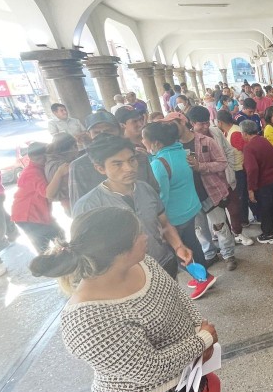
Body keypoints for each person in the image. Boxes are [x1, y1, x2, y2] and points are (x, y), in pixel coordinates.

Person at [30, 208, 250, 392]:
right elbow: (148, 368)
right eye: (137, 235)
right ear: (117, 251)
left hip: (188, 365)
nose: (146, 236)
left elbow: (177, 299)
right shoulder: (86, 319)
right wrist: (202, 340)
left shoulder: (142, 263)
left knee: (210, 388)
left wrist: (197, 331)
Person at [73, 134, 194, 280]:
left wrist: (179, 247)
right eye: (118, 164)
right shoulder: (88, 206)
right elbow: (89, 256)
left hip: (164, 265)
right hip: (127, 280)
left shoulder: (145, 189)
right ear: (100, 168)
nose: (129, 168)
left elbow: (165, 224)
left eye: (131, 160)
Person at [142, 121, 216, 299]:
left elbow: (161, 199)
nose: (142, 142)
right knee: (193, 243)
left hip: (174, 217)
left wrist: (156, 220)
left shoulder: (159, 164)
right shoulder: (182, 153)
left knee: (179, 252)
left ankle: (201, 278)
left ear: (157, 143)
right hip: (190, 209)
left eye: (144, 139)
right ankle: (204, 274)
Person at [168, 110, 237, 270]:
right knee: (200, 229)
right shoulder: (172, 147)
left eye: (172, 125)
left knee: (219, 225)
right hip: (189, 196)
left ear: (184, 123)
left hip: (211, 192)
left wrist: (201, 167)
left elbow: (222, 162)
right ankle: (209, 254)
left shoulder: (206, 141)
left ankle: (228, 255)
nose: (206, 126)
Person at [68, 111, 158, 208]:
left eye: (108, 131)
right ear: (89, 135)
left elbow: (154, 191)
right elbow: (79, 205)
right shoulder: (79, 166)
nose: (103, 136)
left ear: (120, 130)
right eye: (96, 132)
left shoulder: (139, 157)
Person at [239, 120, 273, 244]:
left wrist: (251, 188)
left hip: (266, 183)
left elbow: (252, 169)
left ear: (245, 133)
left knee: (265, 209)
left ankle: (269, 234)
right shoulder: (264, 140)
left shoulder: (249, 147)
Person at [11, 142, 64, 253]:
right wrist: (60, 173)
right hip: (28, 215)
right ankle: (50, 268)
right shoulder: (32, 172)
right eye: (41, 158)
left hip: (36, 214)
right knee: (44, 249)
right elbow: (48, 193)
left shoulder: (39, 167)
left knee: (59, 237)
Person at [216, 110, 256, 243]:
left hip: (240, 168)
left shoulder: (235, 133)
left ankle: (243, 220)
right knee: (241, 195)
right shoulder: (230, 131)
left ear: (220, 122)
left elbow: (245, 149)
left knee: (241, 196)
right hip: (237, 168)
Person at [45, 133, 78, 215]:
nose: (76, 149)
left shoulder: (51, 159)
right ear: (66, 149)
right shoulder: (62, 166)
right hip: (73, 204)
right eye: (75, 146)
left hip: (71, 203)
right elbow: (50, 194)